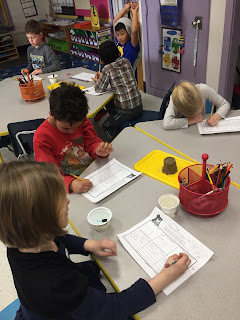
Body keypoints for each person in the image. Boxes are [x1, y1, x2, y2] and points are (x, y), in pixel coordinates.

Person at [0, 161, 191, 320]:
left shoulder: (25, 240)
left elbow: (60, 239)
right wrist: (168, 275)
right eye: (60, 198)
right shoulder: (55, 283)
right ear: (40, 218)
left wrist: (89, 245)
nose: (68, 201)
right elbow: (114, 309)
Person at [33, 82, 113, 194]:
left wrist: (98, 149)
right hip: (66, 187)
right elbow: (48, 175)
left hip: (93, 173)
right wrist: (70, 184)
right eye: (65, 128)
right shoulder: (42, 137)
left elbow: (91, 141)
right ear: (51, 114)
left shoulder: (81, 119)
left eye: (77, 127)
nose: (72, 131)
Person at [93, 41, 143, 141]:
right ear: (118, 53)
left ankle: (118, 143)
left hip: (128, 110)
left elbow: (99, 89)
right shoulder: (126, 61)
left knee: (106, 125)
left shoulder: (107, 68)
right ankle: (119, 124)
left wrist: (98, 80)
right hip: (139, 104)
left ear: (102, 60)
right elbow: (119, 79)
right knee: (110, 103)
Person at [163, 81, 230, 130]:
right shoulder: (175, 99)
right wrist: (191, 120)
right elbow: (167, 123)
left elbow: (225, 104)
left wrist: (217, 116)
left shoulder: (203, 89)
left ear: (198, 91)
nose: (199, 114)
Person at [113, 2, 140, 67]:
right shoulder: (118, 42)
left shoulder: (132, 45)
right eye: (117, 35)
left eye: (122, 34)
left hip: (127, 74)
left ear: (128, 32)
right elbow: (114, 21)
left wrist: (134, 12)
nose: (120, 38)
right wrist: (125, 9)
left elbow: (134, 31)